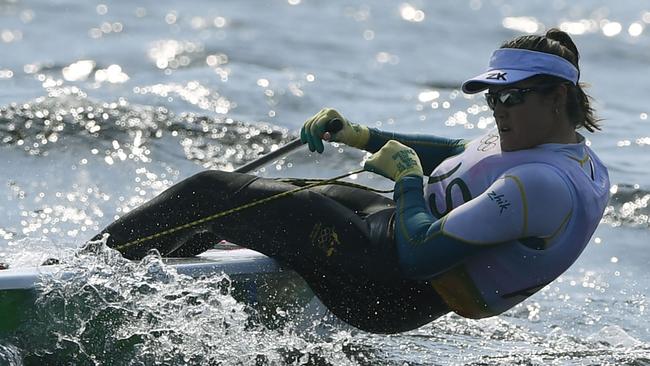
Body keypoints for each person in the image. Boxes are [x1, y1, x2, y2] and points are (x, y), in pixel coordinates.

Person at [92, 28, 610, 334]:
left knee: (209, 192)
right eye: (491, 97)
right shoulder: (549, 148)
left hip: (387, 281)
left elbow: (419, 256)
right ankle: (152, 285)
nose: (498, 109)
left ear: (557, 97)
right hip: (385, 232)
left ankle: (81, 277)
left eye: (511, 97)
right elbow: (464, 154)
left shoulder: (544, 184)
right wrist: (361, 135)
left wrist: (407, 179)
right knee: (239, 210)